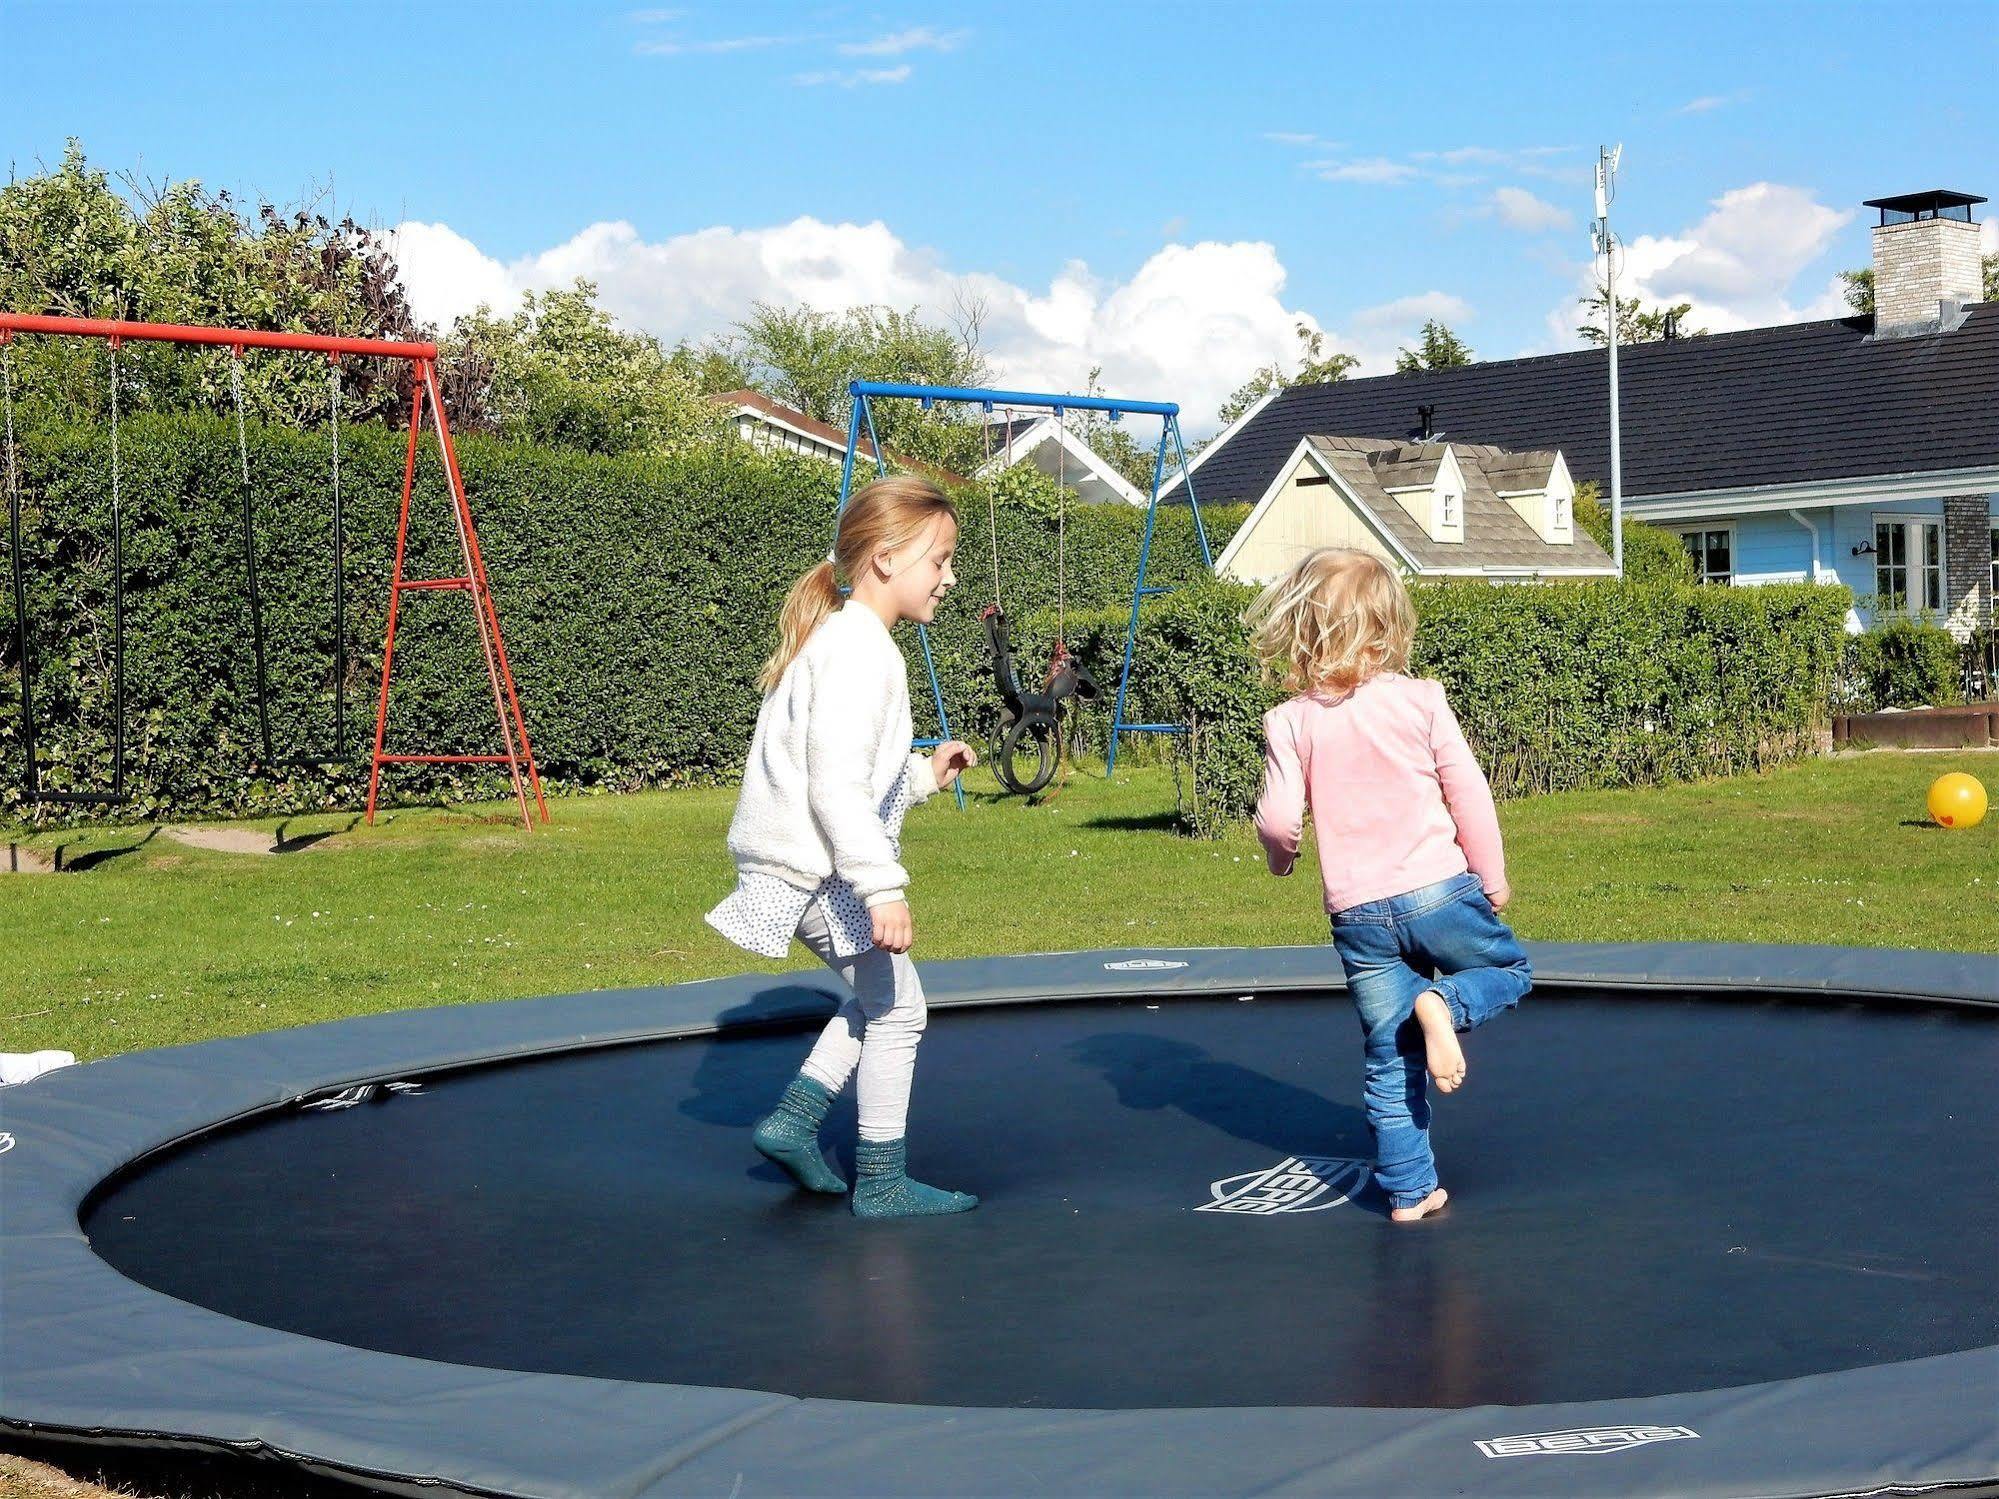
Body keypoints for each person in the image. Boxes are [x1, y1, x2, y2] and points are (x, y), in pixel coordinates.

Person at [707, 475, 980, 1218]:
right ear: (886, 559)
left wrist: (922, 775)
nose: (949, 576)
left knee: (880, 998)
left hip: (806, 863)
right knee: (900, 1010)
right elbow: (833, 788)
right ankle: (882, 1182)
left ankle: (793, 1123)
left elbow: (850, 775)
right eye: (940, 559)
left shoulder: (843, 640)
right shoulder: (863, 652)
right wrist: (880, 886)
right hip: (820, 871)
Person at [1248, 548, 1532, 1223]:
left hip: (1358, 914)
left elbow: (1280, 818)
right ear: (1387, 628)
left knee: (1386, 1055)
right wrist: (1489, 878)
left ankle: (1408, 1192)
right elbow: (1469, 792)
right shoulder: (1420, 699)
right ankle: (1446, 1002)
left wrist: (1281, 860)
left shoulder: (1288, 720)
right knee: (1510, 969)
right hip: (1436, 888)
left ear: (1300, 630)